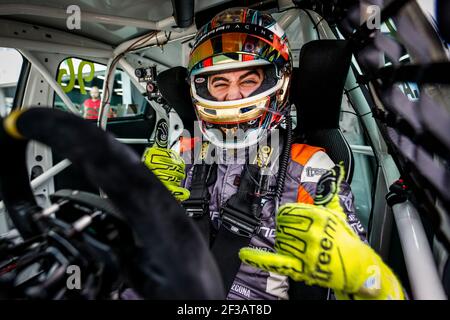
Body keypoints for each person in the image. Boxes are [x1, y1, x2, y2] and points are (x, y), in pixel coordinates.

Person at [142, 7, 405, 300]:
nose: (233, 97)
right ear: (200, 89)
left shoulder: (309, 168)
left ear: (275, 84)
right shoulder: (182, 155)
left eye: (248, 80)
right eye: (220, 83)